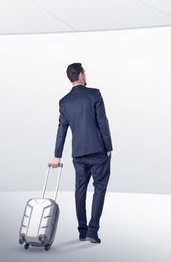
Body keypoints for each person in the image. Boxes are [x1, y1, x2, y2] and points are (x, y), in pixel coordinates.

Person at [51, 63, 112, 244]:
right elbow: (102, 121)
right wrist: (108, 146)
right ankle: (93, 231)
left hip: (78, 153)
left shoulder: (64, 102)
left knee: (80, 190)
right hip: (98, 151)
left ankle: (82, 231)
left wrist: (57, 155)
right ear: (80, 76)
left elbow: (62, 129)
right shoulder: (94, 94)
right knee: (99, 188)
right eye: (84, 73)